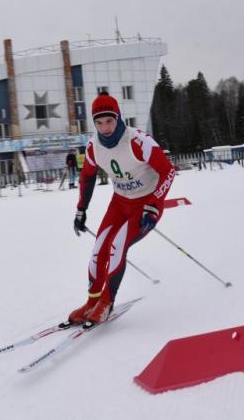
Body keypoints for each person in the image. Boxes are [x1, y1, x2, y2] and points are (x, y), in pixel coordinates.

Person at [68, 92, 175, 327]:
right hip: (119, 203)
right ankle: (91, 301)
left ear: (117, 117)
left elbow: (168, 171)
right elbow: (87, 176)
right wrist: (81, 210)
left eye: (109, 121)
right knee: (99, 249)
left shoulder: (138, 142)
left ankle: (106, 302)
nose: (105, 128)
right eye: (99, 122)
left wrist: (155, 205)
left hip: (145, 205)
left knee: (117, 246)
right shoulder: (94, 146)